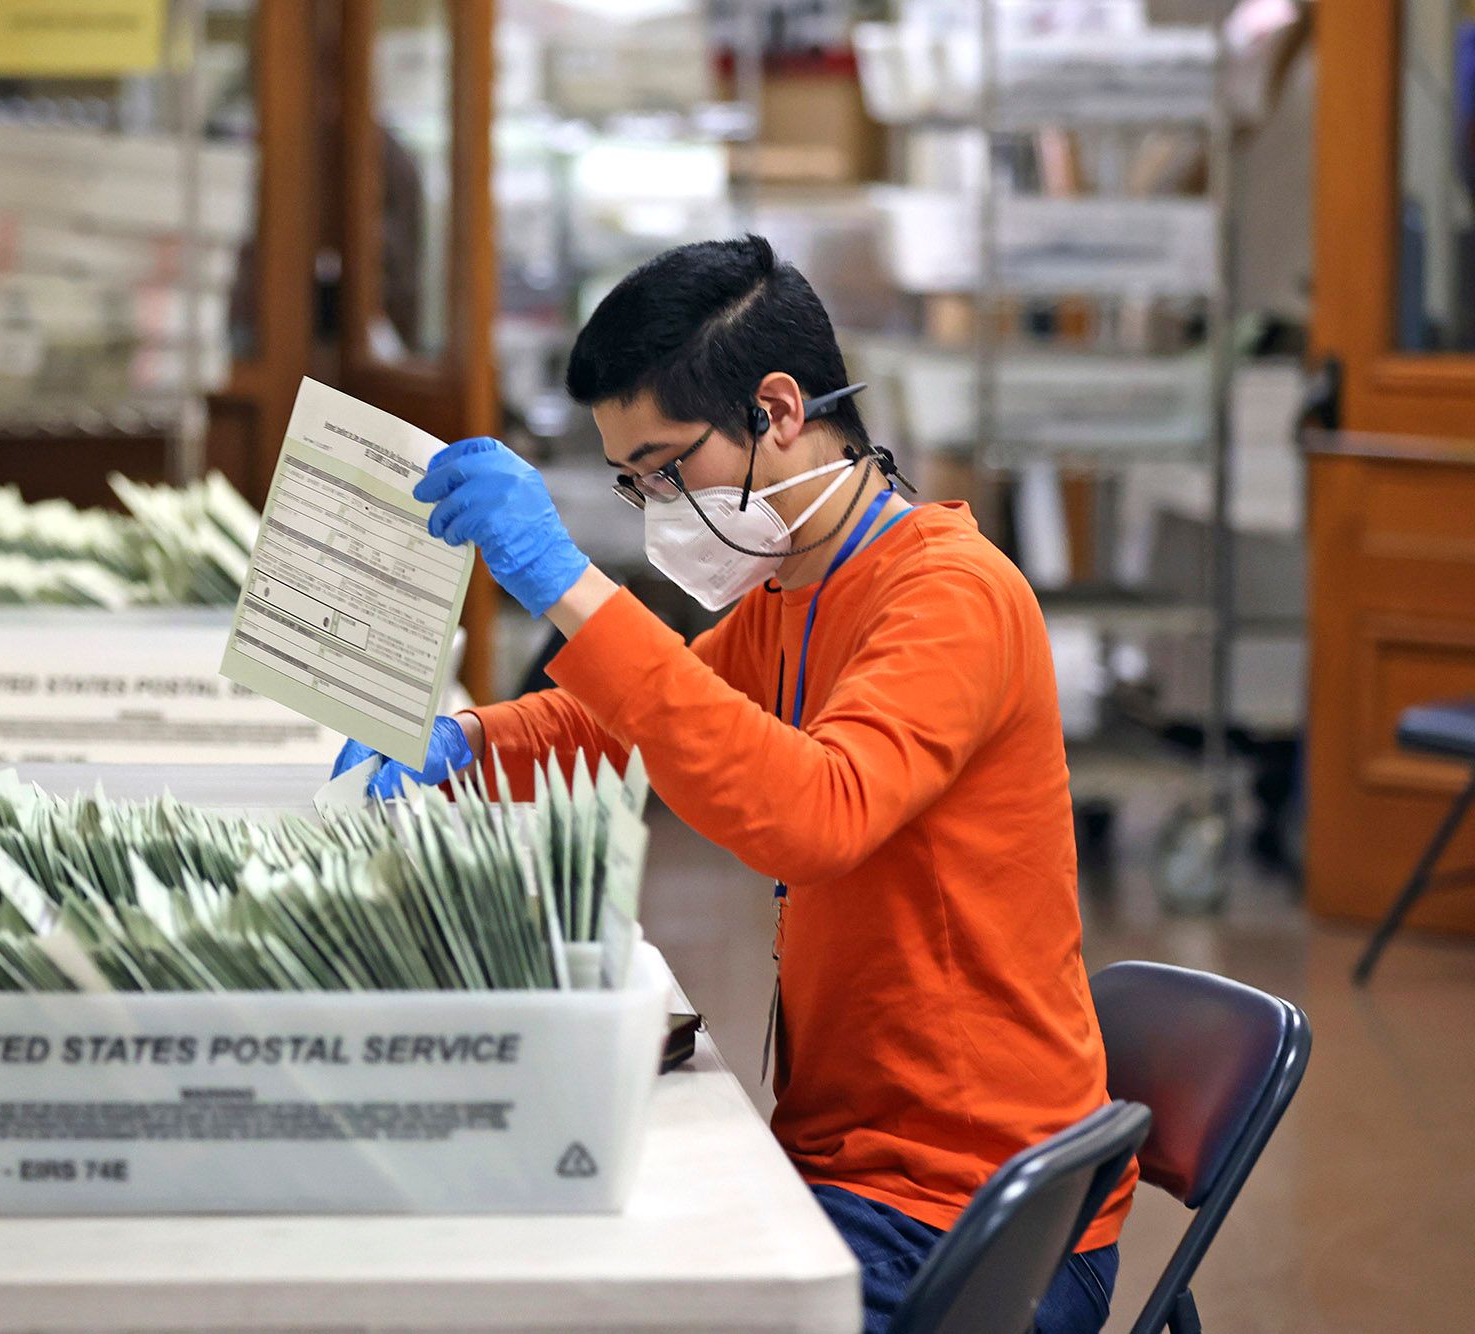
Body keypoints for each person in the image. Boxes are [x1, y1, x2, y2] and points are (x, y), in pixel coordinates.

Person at [332, 236, 1131, 1333]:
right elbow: (632, 718)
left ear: (778, 409)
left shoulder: (952, 596)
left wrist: (568, 587)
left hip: (972, 1207)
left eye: (665, 467)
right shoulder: (791, 594)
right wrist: (468, 740)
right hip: (850, 1160)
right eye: (631, 481)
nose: (656, 504)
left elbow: (815, 814)